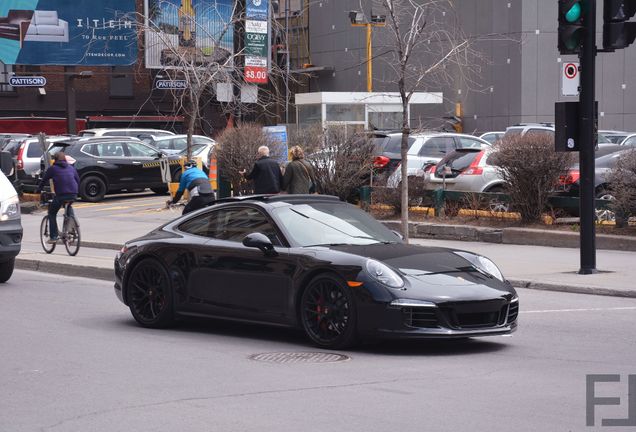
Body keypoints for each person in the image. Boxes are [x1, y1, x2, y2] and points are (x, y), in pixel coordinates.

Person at [36, 152, 80, 244]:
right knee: (69, 205)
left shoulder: (53, 169)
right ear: (65, 159)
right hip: (73, 193)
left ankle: (53, 236)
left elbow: (44, 180)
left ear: (55, 160)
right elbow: (77, 180)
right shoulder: (71, 168)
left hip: (61, 194)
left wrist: (38, 190)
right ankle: (71, 226)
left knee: (51, 213)